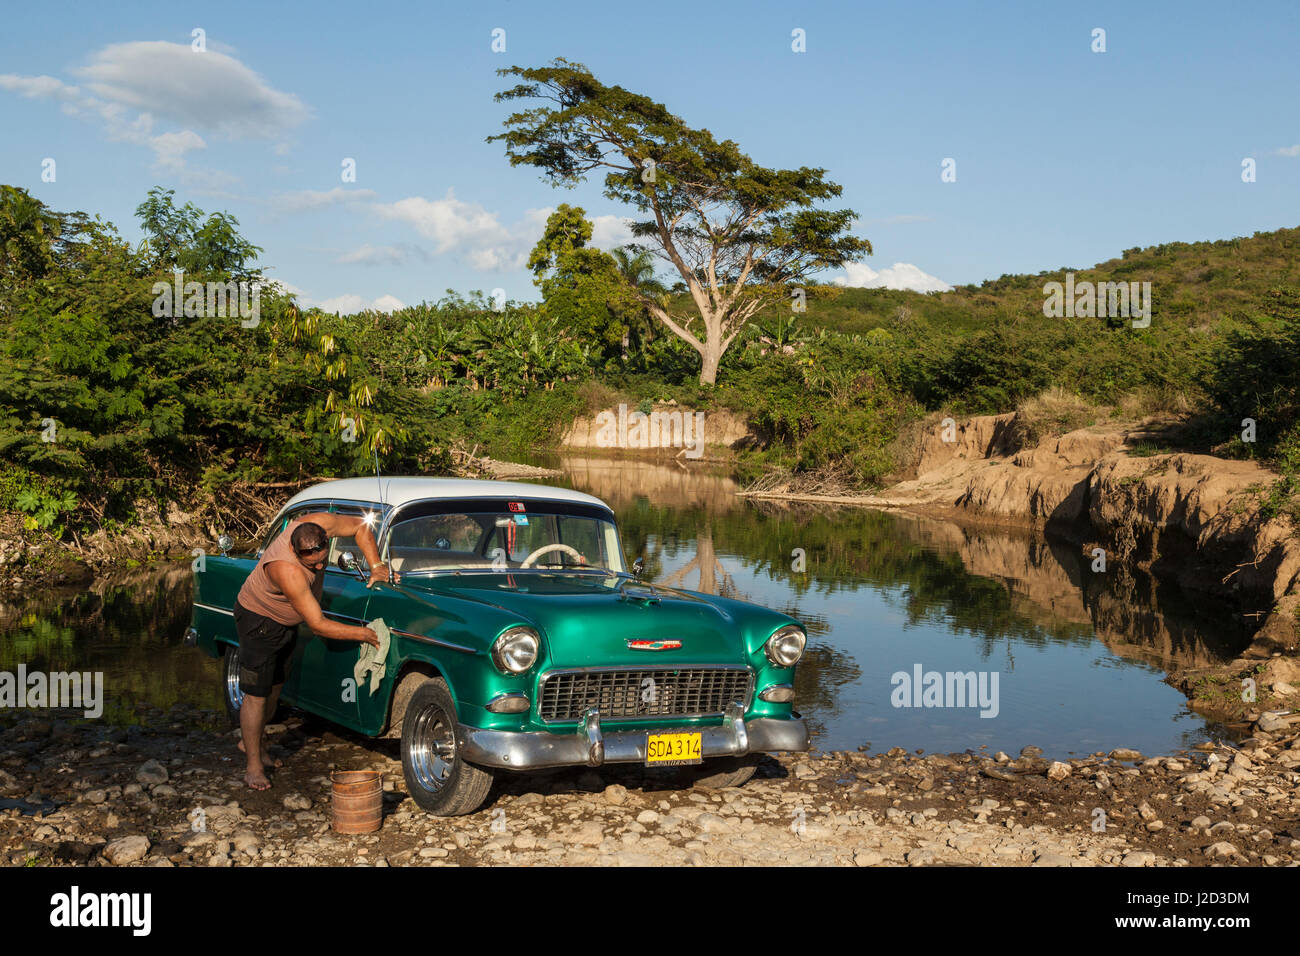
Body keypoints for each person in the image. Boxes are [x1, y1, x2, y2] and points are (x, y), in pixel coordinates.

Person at [233, 512, 395, 790]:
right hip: (258, 621)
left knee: (275, 688)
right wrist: (364, 634)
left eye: (323, 559)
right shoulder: (288, 571)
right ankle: (253, 766)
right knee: (257, 695)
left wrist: (376, 565)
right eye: (313, 564)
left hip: (285, 623)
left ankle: (252, 743)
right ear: (295, 552)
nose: (320, 568)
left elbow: (360, 526)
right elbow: (318, 625)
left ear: (324, 537)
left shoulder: (318, 524)